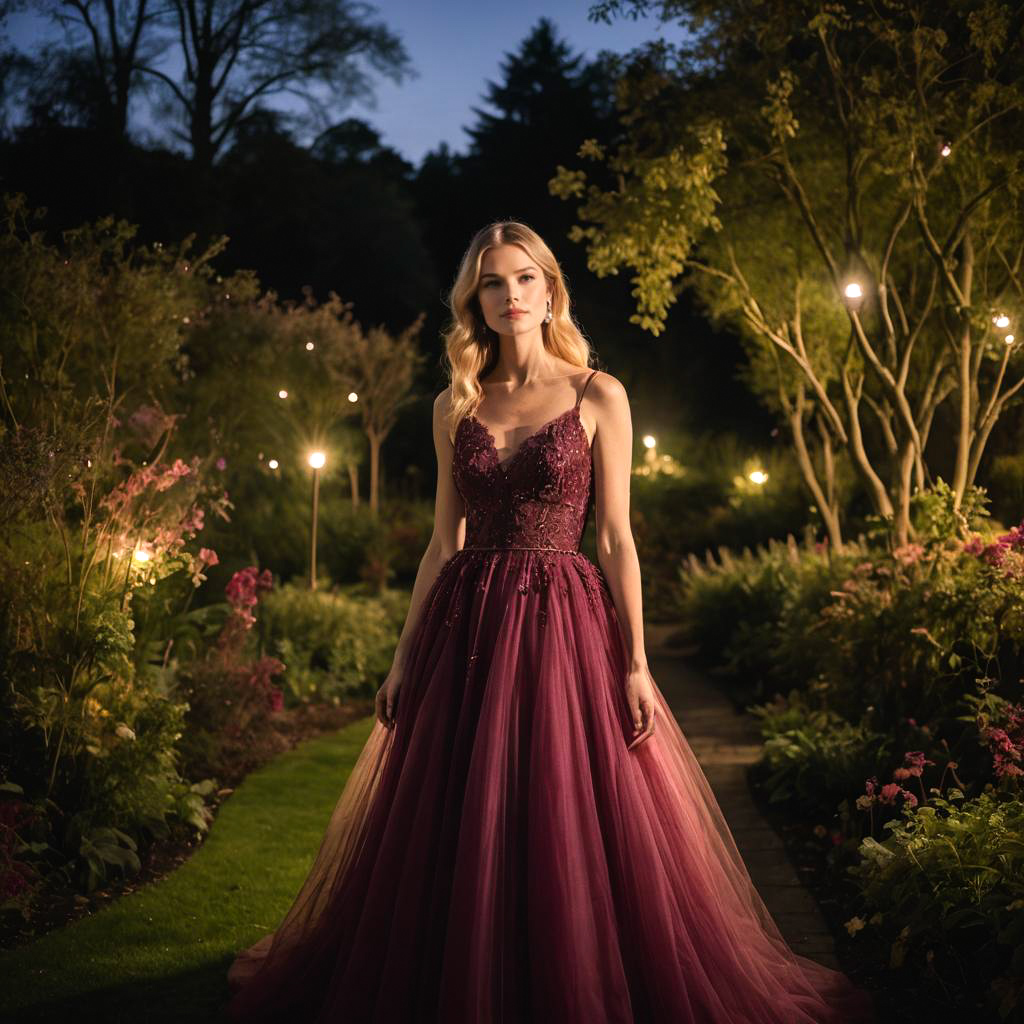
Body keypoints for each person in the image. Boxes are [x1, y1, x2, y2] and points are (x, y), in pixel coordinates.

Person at [225, 220, 877, 1022]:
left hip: (565, 624)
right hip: (465, 630)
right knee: (458, 810)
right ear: (476, 300)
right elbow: (440, 543)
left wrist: (636, 661)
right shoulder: (453, 403)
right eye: (492, 283)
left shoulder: (597, 393)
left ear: (549, 288)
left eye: (524, 278)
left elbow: (616, 541)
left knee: (567, 800)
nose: (510, 296)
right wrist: (401, 660)